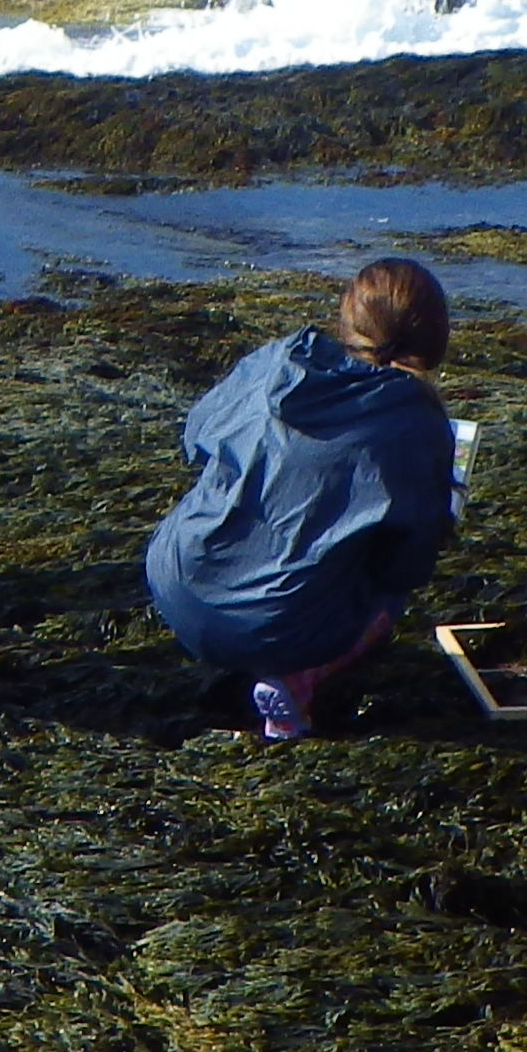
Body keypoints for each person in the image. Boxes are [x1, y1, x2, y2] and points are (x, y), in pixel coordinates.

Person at [144, 259, 461, 742]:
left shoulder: (280, 360)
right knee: (387, 592)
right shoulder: (415, 423)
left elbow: (196, 435)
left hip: (176, 579)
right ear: (433, 337)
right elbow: (406, 567)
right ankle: (299, 680)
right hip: (274, 626)